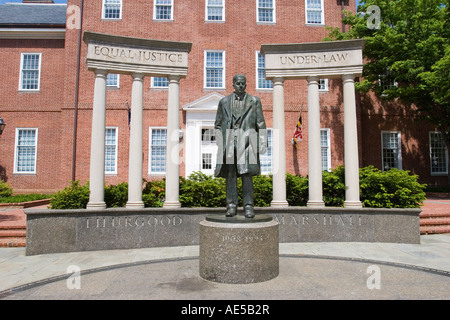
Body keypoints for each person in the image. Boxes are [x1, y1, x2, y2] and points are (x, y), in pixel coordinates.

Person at [214, 74, 267, 218]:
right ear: (233, 85)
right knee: (231, 176)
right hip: (230, 142)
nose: (241, 86)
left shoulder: (254, 101)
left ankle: (249, 206)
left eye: (243, 83)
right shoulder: (224, 102)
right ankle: (231, 206)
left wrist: (262, 142)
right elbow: (217, 125)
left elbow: (261, 123)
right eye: (238, 83)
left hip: (248, 142)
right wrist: (221, 143)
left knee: (246, 175)